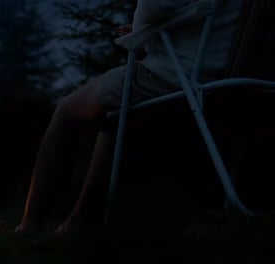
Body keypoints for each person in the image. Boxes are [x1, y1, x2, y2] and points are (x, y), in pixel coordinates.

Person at [15, 0, 242, 233]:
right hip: (217, 71)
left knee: (65, 113)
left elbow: (153, 8)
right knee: (116, 117)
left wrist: (141, 26)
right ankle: (81, 220)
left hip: (176, 75)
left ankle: (30, 225)